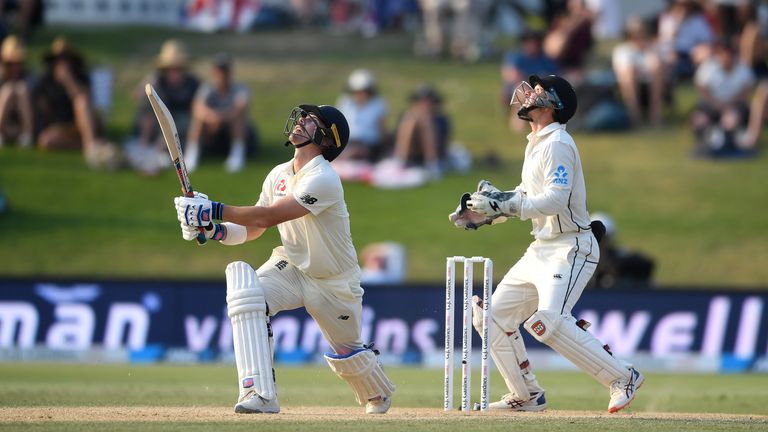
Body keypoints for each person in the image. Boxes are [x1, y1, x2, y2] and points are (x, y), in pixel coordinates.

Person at [173, 104, 395, 414]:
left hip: (333, 281)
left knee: (348, 352)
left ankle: (378, 391)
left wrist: (213, 209)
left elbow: (269, 217)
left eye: (311, 120)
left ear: (327, 140)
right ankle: (259, 394)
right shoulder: (278, 174)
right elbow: (251, 229)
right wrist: (215, 229)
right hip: (291, 267)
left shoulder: (324, 178)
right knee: (247, 295)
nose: (301, 120)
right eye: (303, 116)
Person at [449, 74, 643, 413]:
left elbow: (555, 199)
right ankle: (526, 395)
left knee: (547, 322)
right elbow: (529, 194)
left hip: (572, 247)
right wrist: (490, 212)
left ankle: (622, 376)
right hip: (542, 248)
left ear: (554, 104)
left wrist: (507, 204)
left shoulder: (558, 144)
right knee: (490, 318)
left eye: (539, 90)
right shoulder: (536, 141)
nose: (529, 94)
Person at [32, 37, 119, 169]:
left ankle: (91, 149)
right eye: (60, 59)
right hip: (61, 127)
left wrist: (69, 81)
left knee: (81, 102)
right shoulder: (46, 81)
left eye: (66, 59)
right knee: (46, 141)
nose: (63, 62)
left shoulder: (81, 77)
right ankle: (92, 145)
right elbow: (42, 108)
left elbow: (85, 98)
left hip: (83, 122)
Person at [126, 39, 199, 175]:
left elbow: (197, 109)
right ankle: (145, 150)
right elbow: (142, 102)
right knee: (147, 115)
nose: (174, 73)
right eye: (170, 69)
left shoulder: (193, 84)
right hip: (157, 125)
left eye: (178, 69)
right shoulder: (157, 82)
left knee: (178, 124)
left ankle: (161, 153)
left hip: (182, 129)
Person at [185, 52, 256, 173]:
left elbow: (239, 108)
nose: (222, 74)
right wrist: (212, 118)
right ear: (214, 72)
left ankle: (237, 155)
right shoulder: (207, 88)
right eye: (219, 70)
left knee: (238, 119)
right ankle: (191, 155)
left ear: (230, 72)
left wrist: (218, 117)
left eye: (225, 70)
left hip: (234, 129)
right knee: (198, 120)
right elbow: (198, 107)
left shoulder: (240, 88)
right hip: (212, 129)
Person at [691, 38, 755, 157]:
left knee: (730, 120)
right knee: (699, 120)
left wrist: (729, 105)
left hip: (735, 106)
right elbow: (701, 87)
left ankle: (728, 143)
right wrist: (716, 104)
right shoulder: (708, 67)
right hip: (712, 105)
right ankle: (706, 142)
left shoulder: (743, 68)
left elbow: (745, 92)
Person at [501, 29, 560, 132]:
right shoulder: (516, 57)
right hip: (518, 90)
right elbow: (511, 75)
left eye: (534, 42)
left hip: (541, 91)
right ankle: (519, 120)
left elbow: (554, 77)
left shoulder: (546, 60)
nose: (531, 45)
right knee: (521, 88)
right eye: (528, 42)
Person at [611, 17, 666, 127]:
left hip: (649, 85)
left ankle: (655, 114)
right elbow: (622, 70)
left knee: (657, 68)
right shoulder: (623, 50)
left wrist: (647, 49)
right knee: (630, 72)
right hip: (629, 85)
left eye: (641, 32)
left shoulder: (652, 49)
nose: (639, 36)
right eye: (636, 33)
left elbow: (657, 64)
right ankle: (634, 115)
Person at [392, 83, 450, 179]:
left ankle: (432, 165)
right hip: (412, 154)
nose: (425, 104)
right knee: (410, 121)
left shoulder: (440, 119)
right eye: (421, 101)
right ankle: (400, 161)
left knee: (425, 122)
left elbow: (442, 142)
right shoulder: (407, 117)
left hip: (434, 155)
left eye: (428, 101)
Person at [335, 69, 389, 162]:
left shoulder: (378, 103)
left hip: (369, 144)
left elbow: (381, 130)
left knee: (360, 152)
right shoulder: (345, 102)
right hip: (348, 142)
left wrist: (382, 148)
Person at [0, 35, 33, 148]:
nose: (15, 66)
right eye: (11, 63)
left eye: (18, 62)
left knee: (21, 89)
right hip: (6, 125)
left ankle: (27, 136)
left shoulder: (29, 78)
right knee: (8, 90)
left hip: (19, 126)